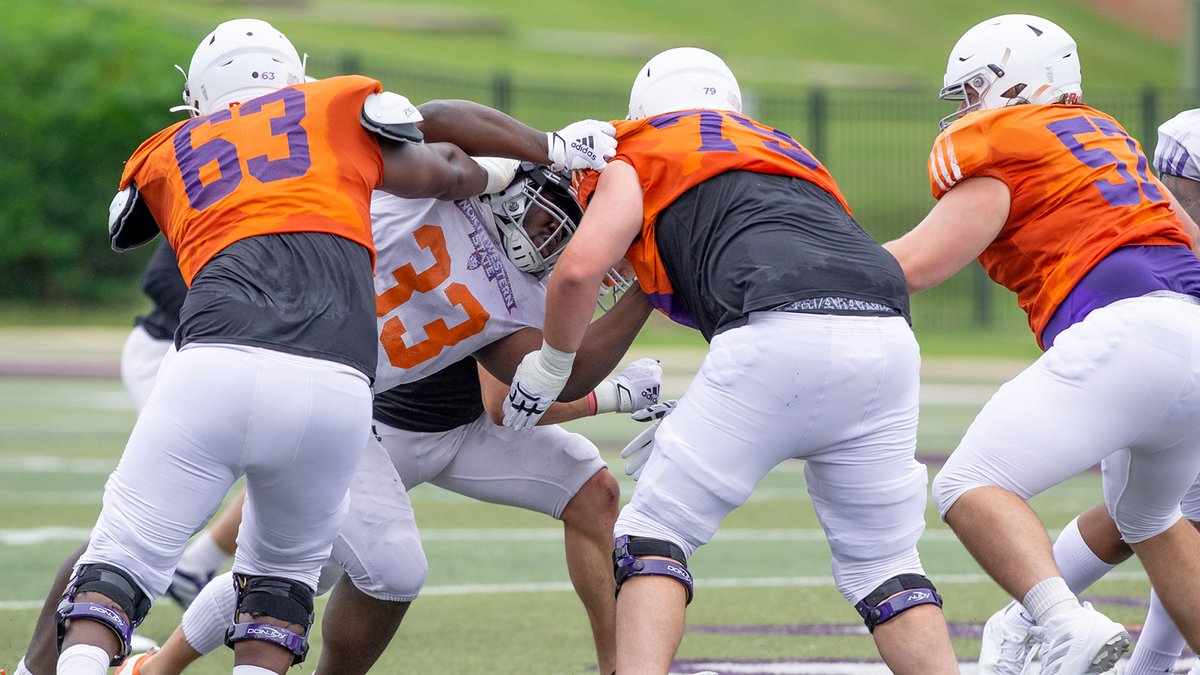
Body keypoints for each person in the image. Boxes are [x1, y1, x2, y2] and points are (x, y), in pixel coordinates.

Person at [55, 17, 615, 675]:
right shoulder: (333, 114)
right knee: (281, 583)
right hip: (337, 383)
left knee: (122, 557)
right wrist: (519, 160)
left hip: (225, 360)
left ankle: (86, 664)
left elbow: (127, 223)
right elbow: (430, 140)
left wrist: (508, 166)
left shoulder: (174, 144)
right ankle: (152, 657)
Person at [502, 46, 959, 675]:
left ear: (645, 110)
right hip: (887, 336)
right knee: (886, 563)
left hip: (776, 333)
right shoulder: (788, 151)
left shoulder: (639, 148)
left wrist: (552, 366)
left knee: (653, 534)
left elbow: (578, 270)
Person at [113, 166, 658, 675]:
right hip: (377, 423)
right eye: (548, 223)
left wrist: (643, 301)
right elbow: (509, 401)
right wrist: (531, 150)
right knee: (307, 568)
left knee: (594, 490)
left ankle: (621, 668)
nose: (551, 240)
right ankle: (156, 665)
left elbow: (524, 394)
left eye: (565, 232)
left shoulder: (542, 280)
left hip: (465, 431)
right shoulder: (446, 194)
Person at [881, 14, 1200, 675]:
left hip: (1127, 332)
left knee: (971, 482)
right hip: (1189, 333)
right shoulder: (1108, 139)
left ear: (1021, 81)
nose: (968, 109)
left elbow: (918, 265)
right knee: (1148, 514)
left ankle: (1058, 622)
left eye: (974, 91)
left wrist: (809, 268)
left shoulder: (1006, 144)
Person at [973, 106, 1200, 675]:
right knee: (1156, 518)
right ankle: (1030, 619)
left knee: (1155, 519)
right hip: (1147, 356)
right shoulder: (1156, 222)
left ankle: (1033, 621)